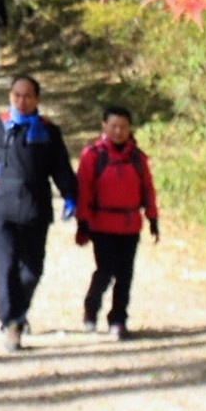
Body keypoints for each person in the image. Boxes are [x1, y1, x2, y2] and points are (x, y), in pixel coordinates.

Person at [0, 75, 77, 352]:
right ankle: (12, 322)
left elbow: (61, 168)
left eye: (27, 96)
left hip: (36, 208)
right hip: (3, 207)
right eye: (16, 95)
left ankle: (19, 311)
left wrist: (70, 196)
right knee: (7, 267)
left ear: (37, 99)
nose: (22, 101)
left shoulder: (49, 132)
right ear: (9, 96)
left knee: (33, 270)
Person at [74, 106, 159, 341]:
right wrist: (83, 223)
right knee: (105, 270)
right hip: (101, 225)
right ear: (104, 126)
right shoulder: (93, 155)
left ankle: (118, 319)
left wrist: (153, 218)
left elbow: (148, 189)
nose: (119, 131)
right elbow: (84, 190)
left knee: (125, 274)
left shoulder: (137, 157)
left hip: (130, 225)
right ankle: (91, 308)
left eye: (123, 127)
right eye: (113, 126)